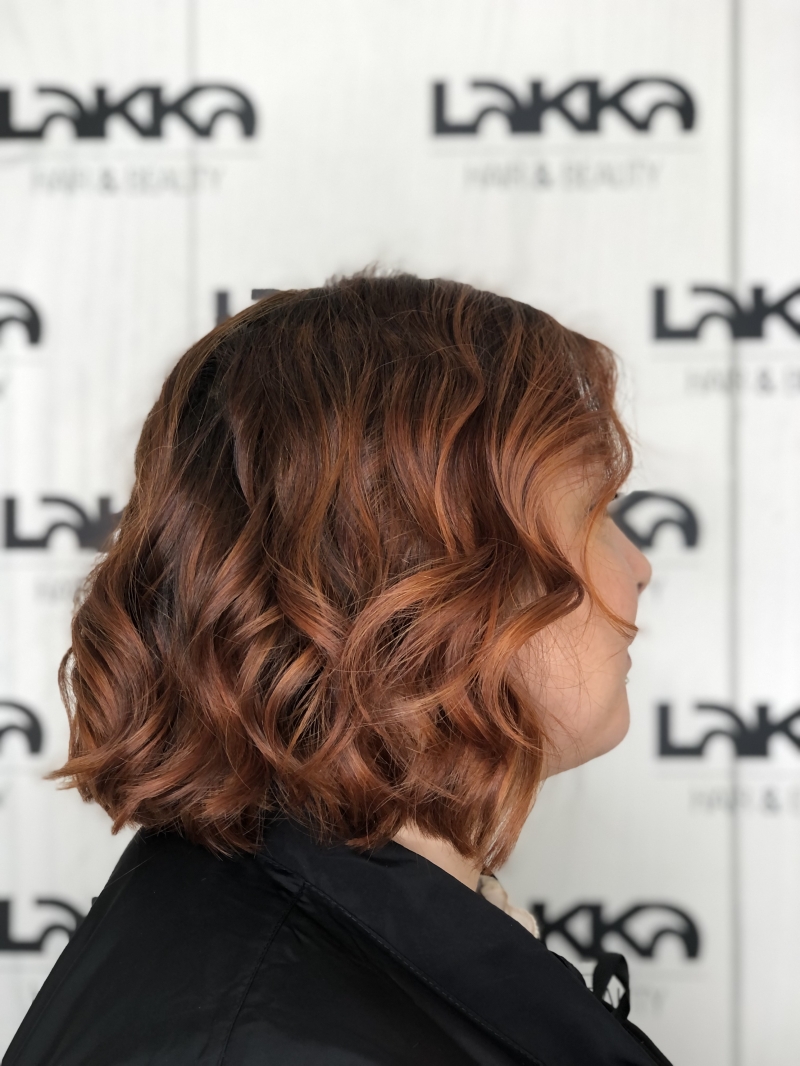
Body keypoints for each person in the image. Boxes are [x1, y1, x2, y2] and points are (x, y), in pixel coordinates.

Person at [3, 272, 667, 1066]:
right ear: (422, 576)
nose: (639, 567)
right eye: (597, 512)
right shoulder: (279, 1039)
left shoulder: (291, 956)